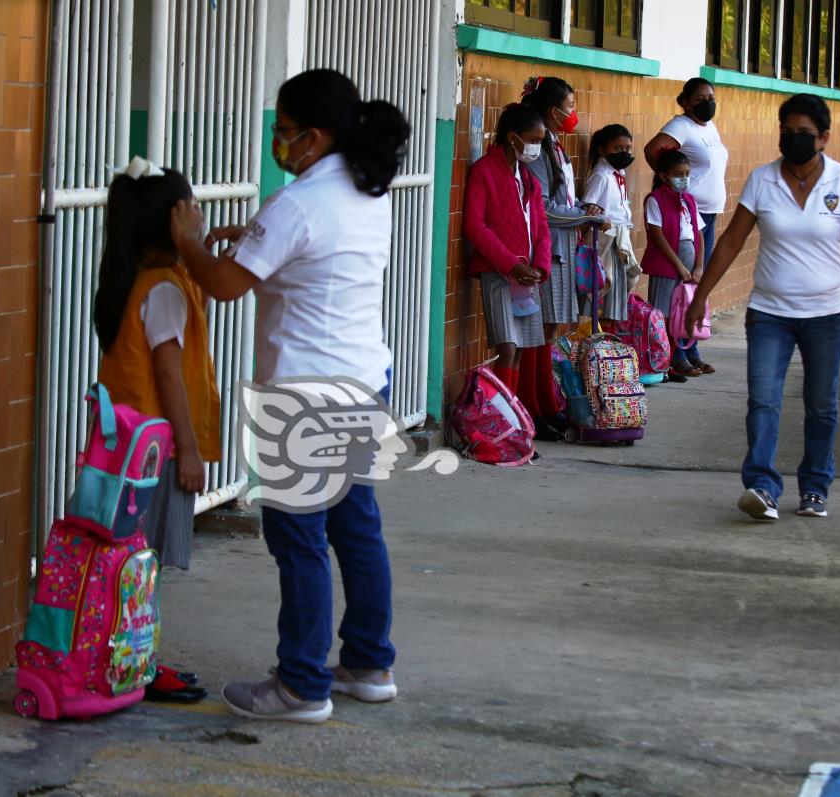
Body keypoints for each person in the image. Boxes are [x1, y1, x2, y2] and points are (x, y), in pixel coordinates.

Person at [169, 69, 410, 722]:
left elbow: (222, 285)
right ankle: (367, 662)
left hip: (304, 396)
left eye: (282, 130)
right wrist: (248, 237)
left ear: (315, 134)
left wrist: (190, 239)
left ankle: (301, 683)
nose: (277, 140)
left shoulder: (297, 203)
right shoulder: (366, 189)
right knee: (356, 529)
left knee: (298, 538)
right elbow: (299, 252)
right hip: (362, 381)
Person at [684, 94, 840, 522]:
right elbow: (731, 240)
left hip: (827, 314)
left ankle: (815, 488)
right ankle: (763, 487)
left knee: (821, 404)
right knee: (763, 401)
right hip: (770, 313)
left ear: (823, 138)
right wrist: (701, 297)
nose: (793, 140)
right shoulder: (762, 180)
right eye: (786, 132)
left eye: (803, 134)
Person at [93, 156, 220, 704]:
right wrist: (189, 451)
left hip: (126, 446)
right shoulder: (163, 289)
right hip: (157, 452)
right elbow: (168, 374)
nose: (196, 215)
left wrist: (205, 247)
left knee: (129, 560)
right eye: (187, 209)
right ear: (170, 221)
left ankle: (137, 657)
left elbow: (208, 286)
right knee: (144, 565)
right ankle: (137, 661)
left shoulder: (138, 279)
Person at [520, 76, 608, 440]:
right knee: (538, 332)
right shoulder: (538, 150)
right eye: (570, 107)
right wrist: (583, 216)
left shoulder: (555, 145)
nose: (573, 114)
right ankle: (532, 407)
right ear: (552, 110)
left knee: (551, 330)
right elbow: (542, 207)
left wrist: (580, 210)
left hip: (562, 246)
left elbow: (562, 199)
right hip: (547, 248)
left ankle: (545, 404)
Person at [462, 103, 552, 397]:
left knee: (522, 348)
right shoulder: (484, 171)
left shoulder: (528, 179)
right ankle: (501, 417)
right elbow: (475, 226)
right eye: (534, 140)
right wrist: (510, 264)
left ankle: (513, 420)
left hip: (527, 277)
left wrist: (540, 267)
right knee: (507, 347)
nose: (537, 147)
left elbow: (541, 228)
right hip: (499, 273)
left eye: (541, 141)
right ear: (513, 138)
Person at [643, 78, 729, 267]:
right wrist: (670, 186)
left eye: (711, 98)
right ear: (686, 103)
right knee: (687, 276)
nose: (707, 103)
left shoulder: (709, 127)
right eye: (700, 99)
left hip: (708, 214)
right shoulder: (681, 126)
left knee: (699, 276)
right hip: (689, 213)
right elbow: (651, 150)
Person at [642, 150, 710, 380]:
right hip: (667, 263)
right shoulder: (655, 199)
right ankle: (670, 357)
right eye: (678, 174)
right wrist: (680, 266)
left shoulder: (688, 200)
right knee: (665, 312)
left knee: (686, 310)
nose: (684, 178)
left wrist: (699, 266)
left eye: (687, 173)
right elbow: (658, 235)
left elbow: (698, 234)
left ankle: (689, 351)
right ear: (663, 176)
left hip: (689, 263)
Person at [582, 124, 642, 326]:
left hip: (619, 241)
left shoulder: (619, 173)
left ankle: (609, 341)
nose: (624, 153)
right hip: (606, 241)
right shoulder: (601, 175)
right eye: (618, 148)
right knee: (604, 292)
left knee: (616, 296)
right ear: (602, 150)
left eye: (627, 149)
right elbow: (588, 205)